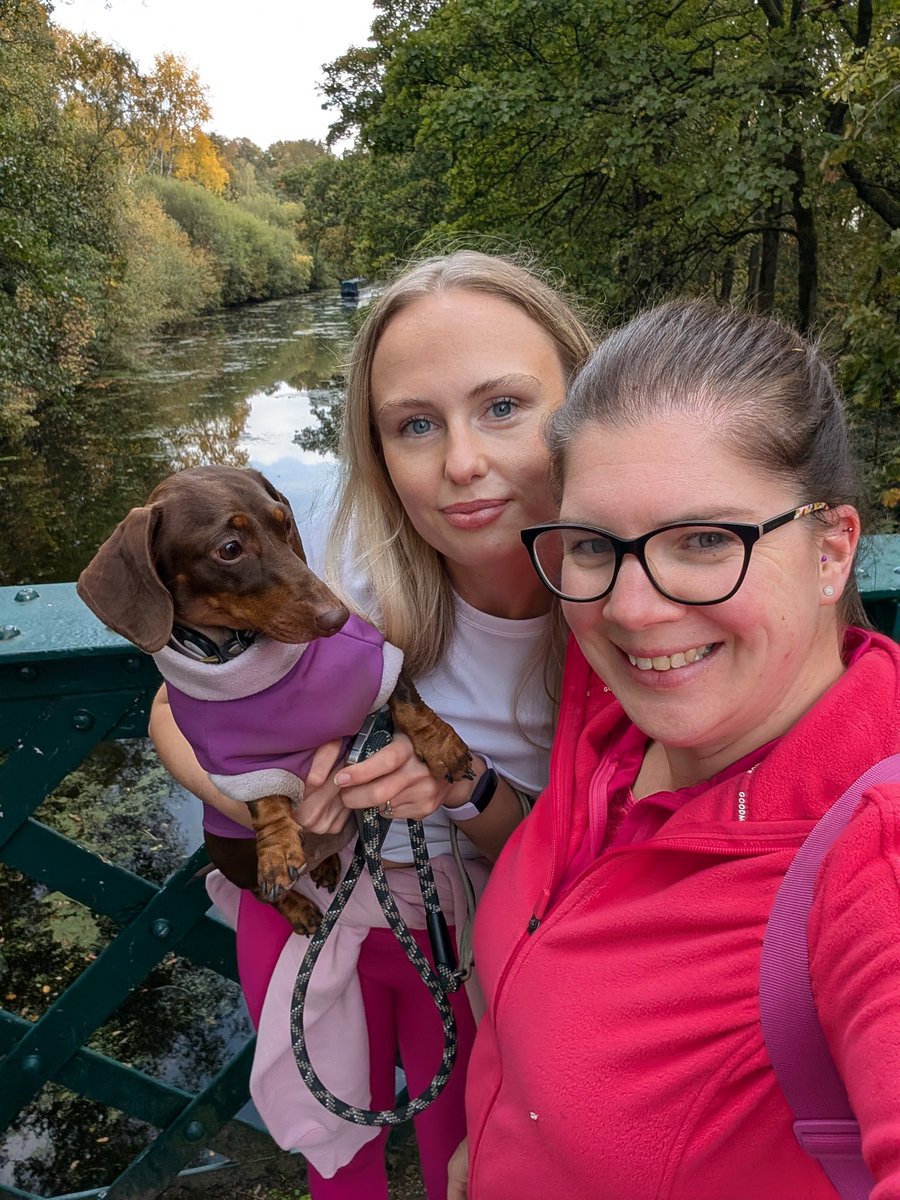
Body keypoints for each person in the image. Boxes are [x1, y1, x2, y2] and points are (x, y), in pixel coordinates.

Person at [148, 249, 595, 1200]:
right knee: (335, 1155)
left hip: (497, 937)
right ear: (378, 449)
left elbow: (586, 855)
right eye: (417, 425)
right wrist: (274, 804)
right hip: (329, 907)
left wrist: (460, 784)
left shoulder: (636, 619)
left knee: (466, 1155)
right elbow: (174, 713)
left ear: (586, 402)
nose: (464, 461)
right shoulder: (350, 586)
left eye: (504, 407)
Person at [452, 298, 900, 1199]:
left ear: (831, 550)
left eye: (704, 540)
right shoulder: (611, 703)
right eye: (591, 545)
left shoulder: (872, 853)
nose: (632, 609)